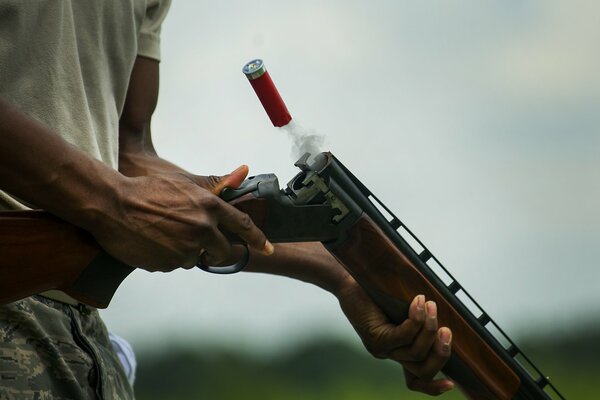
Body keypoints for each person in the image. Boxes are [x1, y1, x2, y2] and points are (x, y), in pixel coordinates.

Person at [0, 1, 453, 398]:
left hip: (83, 337)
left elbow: (127, 154)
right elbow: (119, 189)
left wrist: (343, 272)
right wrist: (116, 204)